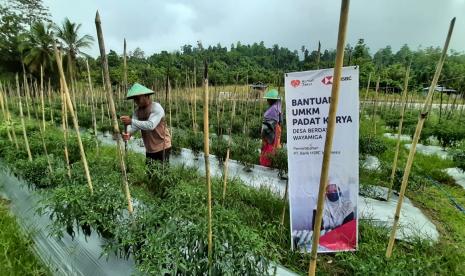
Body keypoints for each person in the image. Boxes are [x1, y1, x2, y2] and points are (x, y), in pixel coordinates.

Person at [120, 83, 171, 165]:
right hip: (149, 148)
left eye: (138, 98)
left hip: (163, 146)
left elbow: (151, 125)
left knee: (162, 173)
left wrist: (131, 121)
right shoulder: (137, 111)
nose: (136, 101)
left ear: (146, 96)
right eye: (134, 99)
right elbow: (134, 127)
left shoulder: (156, 107)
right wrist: (129, 134)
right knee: (150, 173)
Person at [259, 88, 282, 167]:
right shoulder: (278, 109)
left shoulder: (272, 110)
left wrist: (263, 139)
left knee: (268, 150)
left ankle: (266, 165)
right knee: (275, 148)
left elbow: (266, 128)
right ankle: (273, 163)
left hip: (270, 134)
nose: (267, 100)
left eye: (269, 99)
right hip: (276, 131)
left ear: (272, 100)